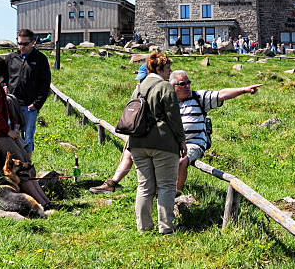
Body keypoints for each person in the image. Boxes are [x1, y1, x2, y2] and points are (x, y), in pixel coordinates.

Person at [0, 56, 51, 210]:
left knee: (25, 161)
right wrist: (8, 131)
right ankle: (42, 203)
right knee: (22, 167)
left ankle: (44, 199)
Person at [169, 69, 262, 194]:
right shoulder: (168, 101)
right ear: (172, 86)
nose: (187, 86)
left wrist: (244, 90)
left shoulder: (198, 97)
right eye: (182, 84)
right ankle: (161, 190)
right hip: (174, 142)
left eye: (188, 82)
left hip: (194, 143)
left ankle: (175, 193)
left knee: (182, 161)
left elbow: (221, 94)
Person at [128, 51, 186, 234]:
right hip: (163, 143)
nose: (170, 72)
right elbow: (173, 116)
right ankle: (166, 227)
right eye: (168, 68)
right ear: (159, 68)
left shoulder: (138, 88)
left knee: (144, 186)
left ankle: (143, 227)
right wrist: (181, 140)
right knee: (166, 185)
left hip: (137, 142)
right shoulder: (165, 87)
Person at [89, 62, 148, 195]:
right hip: (140, 129)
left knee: (132, 155)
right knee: (128, 154)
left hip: (142, 130)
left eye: (143, 77)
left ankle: (117, 183)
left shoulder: (146, 88)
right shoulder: (141, 89)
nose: (140, 80)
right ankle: (113, 183)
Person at [5, 28, 51, 160]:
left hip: (29, 107)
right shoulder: (11, 58)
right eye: (19, 43)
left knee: (27, 138)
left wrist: (37, 104)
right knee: (10, 135)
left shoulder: (41, 59)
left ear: (32, 43)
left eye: (25, 44)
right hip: (11, 104)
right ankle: (10, 164)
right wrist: (4, 89)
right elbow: (4, 77)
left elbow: (45, 83)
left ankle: (27, 165)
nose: (21, 47)